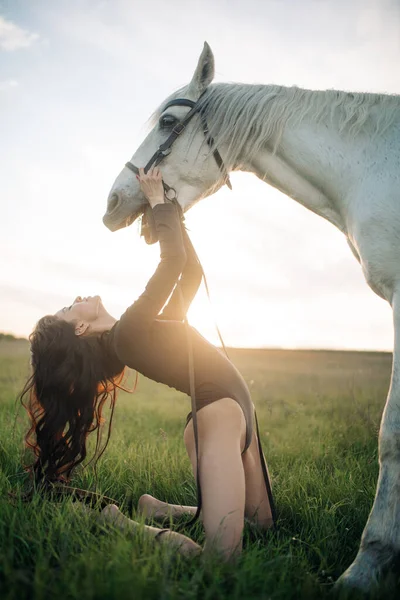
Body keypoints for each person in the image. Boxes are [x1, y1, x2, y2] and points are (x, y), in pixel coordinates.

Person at [21, 167, 274, 560]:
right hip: (219, 419)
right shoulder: (126, 336)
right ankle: (122, 522)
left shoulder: (137, 332)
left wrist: (171, 214)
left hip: (240, 414)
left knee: (263, 526)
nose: (77, 297)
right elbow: (172, 262)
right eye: (71, 308)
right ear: (82, 327)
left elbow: (190, 273)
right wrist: (157, 203)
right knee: (223, 558)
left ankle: (158, 508)